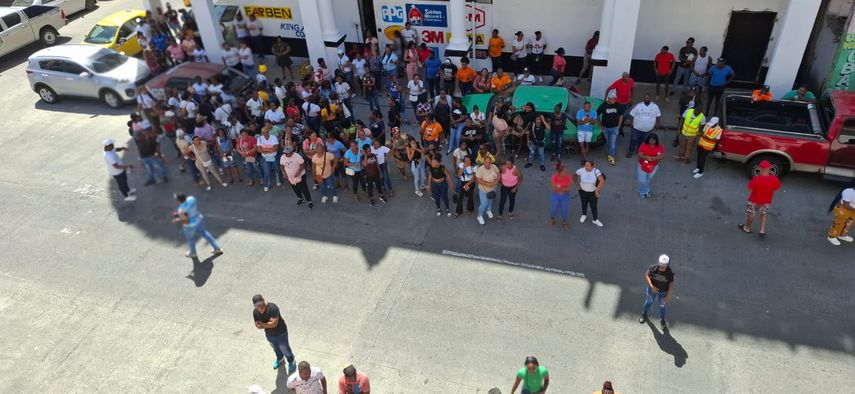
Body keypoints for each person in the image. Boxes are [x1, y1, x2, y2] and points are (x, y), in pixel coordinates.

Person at [251, 294, 296, 372]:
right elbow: (257, 325)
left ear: (263, 300)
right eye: (257, 305)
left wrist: (263, 324)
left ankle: (291, 361)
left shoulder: (272, 308)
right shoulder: (255, 312)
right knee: (275, 348)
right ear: (254, 305)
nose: (260, 307)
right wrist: (268, 324)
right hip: (269, 334)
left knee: (285, 349)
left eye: (261, 303)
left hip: (281, 333)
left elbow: (274, 324)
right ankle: (280, 359)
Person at [173, 193, 223, 258]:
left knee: (191, 239)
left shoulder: (181, 209)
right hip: (199, 219)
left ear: (178, 201)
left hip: (190, 225)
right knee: (204, 233)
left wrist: (177, 220)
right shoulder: (191, 199)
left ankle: (193, 253)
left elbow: (185, 220)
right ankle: (217, 248)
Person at [739, 160, 781, 237]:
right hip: (766, 201)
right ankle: (762, 230)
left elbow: (750, 190)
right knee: (764, 214)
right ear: (769, 168)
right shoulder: (775, 179)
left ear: (760, 168)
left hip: (754, 200)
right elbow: (776, 188)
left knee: (751, 214)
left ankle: (747, 227)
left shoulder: (756, 179)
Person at [639, 255, 675, 331]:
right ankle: (644, 314)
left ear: (667, 264)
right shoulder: (653, 268)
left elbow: (671, 284)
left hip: (663, 292)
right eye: (660, 264)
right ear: (658, 263)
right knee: (649, 301)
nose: (662, 267)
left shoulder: (669, 273)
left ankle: (662, 321)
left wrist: (668, 296)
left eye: (664, 265)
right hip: (652, 290)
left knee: (662, 306)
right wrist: (652, 286)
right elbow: (647, 275)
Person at [627, 94, 661, 158]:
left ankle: (639, 151)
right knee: (633, 140)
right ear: (643, 99)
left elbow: (658, 116)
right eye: (645, 98)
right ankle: (630, 151)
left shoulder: (655, 106)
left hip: (648, 130)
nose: (646, 99)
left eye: (648, 98)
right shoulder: (638, 106)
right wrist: (631, 124)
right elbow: (631, 115)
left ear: (650, 99)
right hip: (636, 128)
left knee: (643, 141)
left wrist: (658, 124)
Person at [597, 91, 622, 166]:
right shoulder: (603, 105)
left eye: (615, 99)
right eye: (612, 99)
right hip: (605, 128)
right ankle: (610, 151)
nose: (614, 100)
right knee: (609, 142)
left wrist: (619, 126)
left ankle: (611, 157)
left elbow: (621, 116)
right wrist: (600, 125)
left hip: (614, 128)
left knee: (613, 143)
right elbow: (597, 115)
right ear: (608, 99)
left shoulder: (618, 105)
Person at [827, 180, 855, 246]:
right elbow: (846, 205)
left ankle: (842, 235)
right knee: (839, 223)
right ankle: (832, 236)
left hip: (853, 210)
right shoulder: (848, 191)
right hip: (843, 209)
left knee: (849, 224)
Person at [606, 72, 634, 136]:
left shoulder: (631, 81)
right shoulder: (618, 82)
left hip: (627, 103)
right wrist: (605, 98)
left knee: (625, 117)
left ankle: (621, 129)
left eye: (628, 77)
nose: (628, 79)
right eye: (626, 77)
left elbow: (632, 88)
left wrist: (632, 98)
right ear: (623, 78)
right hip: (619, 103)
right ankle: (617, 129)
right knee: (619, 117)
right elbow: (608, 89)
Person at [637, 133, 664, 198]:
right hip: (642, 165)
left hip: (654, 166)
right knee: (642, 180)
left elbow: (662, 156)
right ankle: (643, 192)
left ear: (656, 140)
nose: (651, 142)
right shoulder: (643, 145)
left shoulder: (660, 146)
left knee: (648, 179)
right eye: (650, 140)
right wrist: (646, 157)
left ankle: (645, 191)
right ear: (648, 140)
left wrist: (654, 158)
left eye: (653, 140)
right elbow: (640, 154)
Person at [475, 156, 500, 225]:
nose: (487, 164)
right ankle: (479, 216)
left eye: (489, 162)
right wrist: (487, 184)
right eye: (486, 162)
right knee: (484, 203)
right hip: (484, 189)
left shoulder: (494, 167)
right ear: (484, 162)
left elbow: (498, 174)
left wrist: (496, 181)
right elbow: (478, 180)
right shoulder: (480, 169)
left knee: (490, 199)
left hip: (493, 188)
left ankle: (488, 210)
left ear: (491, 162)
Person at [257, 126, 282, 192]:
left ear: (268, 132)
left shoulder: (273, 137)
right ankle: (266, 185)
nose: (264, 134)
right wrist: (270, 150)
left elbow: (276, 148)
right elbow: (259, 149)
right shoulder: (259, 139)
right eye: (263, 133)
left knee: (277, 169)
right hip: (265, 157)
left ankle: (279, 180)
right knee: (266, 172)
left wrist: (264, 150)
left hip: (274, 156)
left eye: (265, 132)